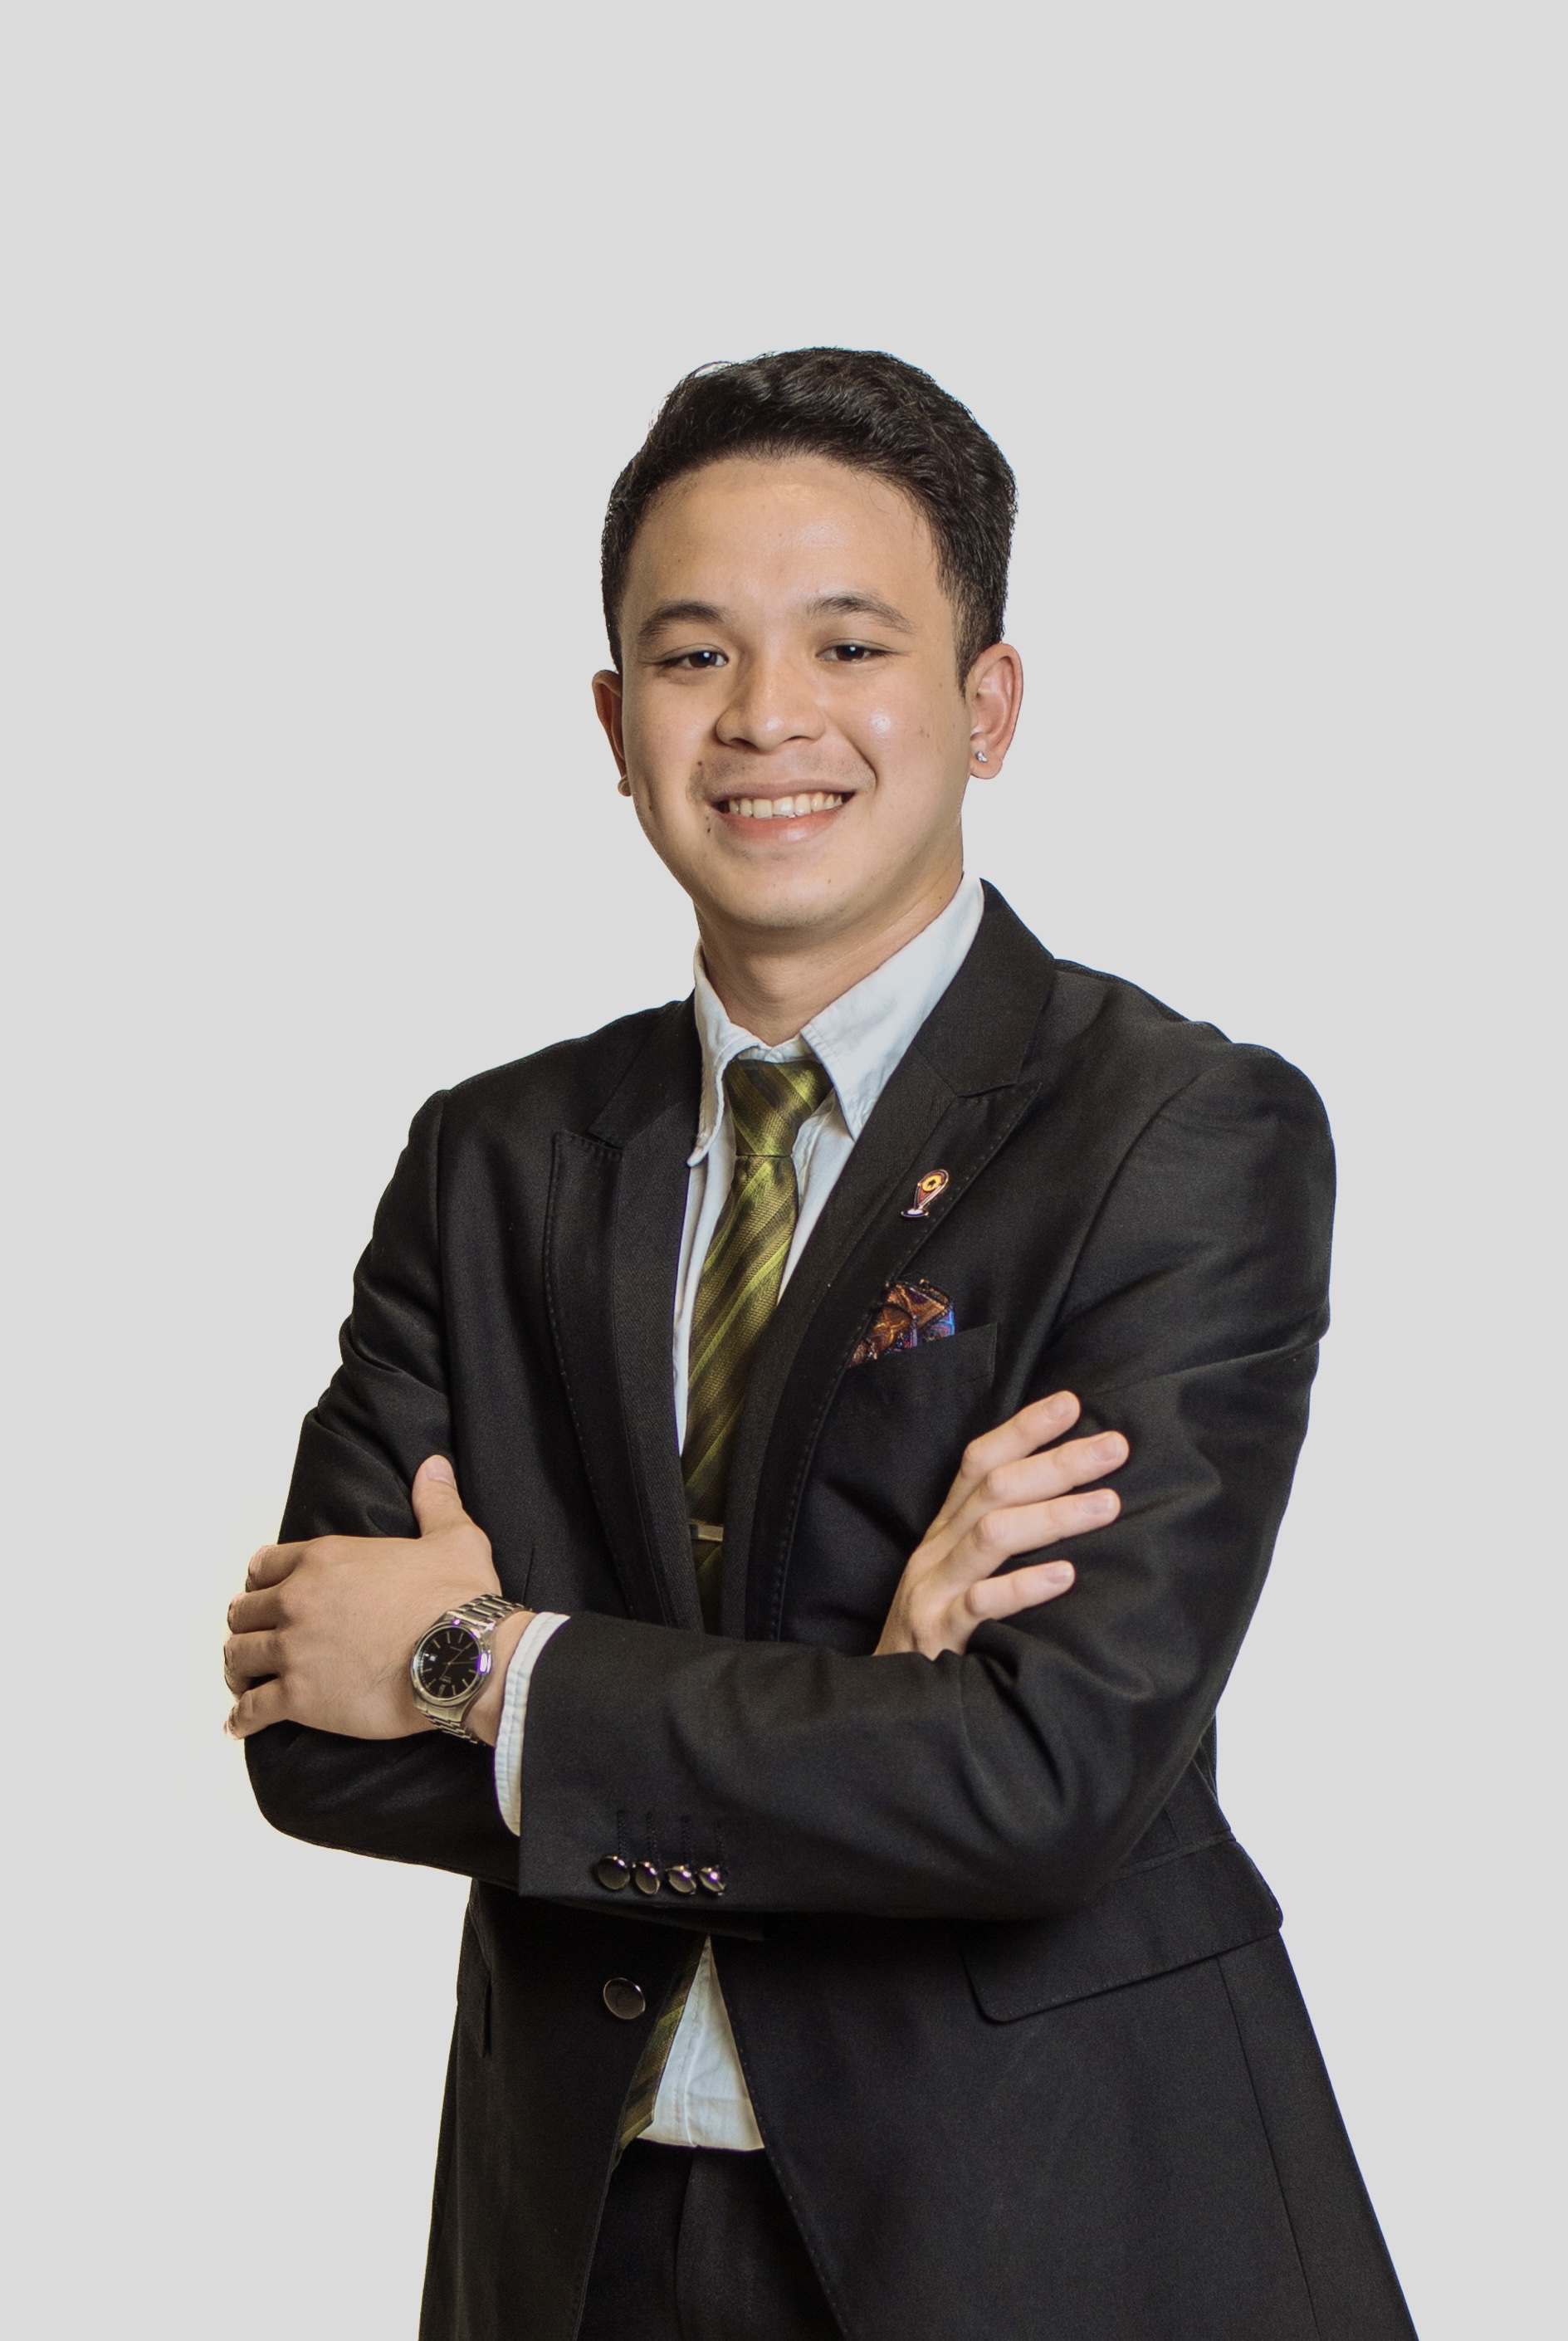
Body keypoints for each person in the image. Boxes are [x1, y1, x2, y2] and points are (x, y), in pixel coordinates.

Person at [224, 348, 1416, 2341]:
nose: (766, 716)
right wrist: (867, 1708)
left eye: (848, 644)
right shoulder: (492, 1157)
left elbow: (1041, 1779)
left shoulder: (1173, 1135)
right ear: (612, 723)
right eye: (691, 655)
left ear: (984, 701)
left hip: (1051, 2226)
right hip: (578, 2244)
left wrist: (479, 1667)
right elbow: (308, 1738)